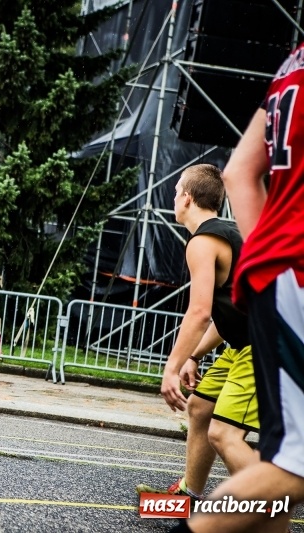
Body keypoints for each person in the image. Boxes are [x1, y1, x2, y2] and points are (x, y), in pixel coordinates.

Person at [176, 44, 304, 533]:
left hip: (281, 275)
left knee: (279, 459)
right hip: (292, 273)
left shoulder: (289, 66)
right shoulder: (207, 241)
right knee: (286, 466)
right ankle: (192, 502)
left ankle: (192, 497)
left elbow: (238, 172)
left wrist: (265, 260)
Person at [137, 164, 257, 500]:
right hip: (243, 345)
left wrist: (171, 369)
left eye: (176, 191)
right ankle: (188, 494)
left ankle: (270, 510)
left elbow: (200, 312)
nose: (174, 197)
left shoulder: (203, 241)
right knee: (201, 408)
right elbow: (230, 315)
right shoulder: (226, 234)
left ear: (187, 198)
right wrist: (193, 355)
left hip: (265, 349)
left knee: (225, 435)